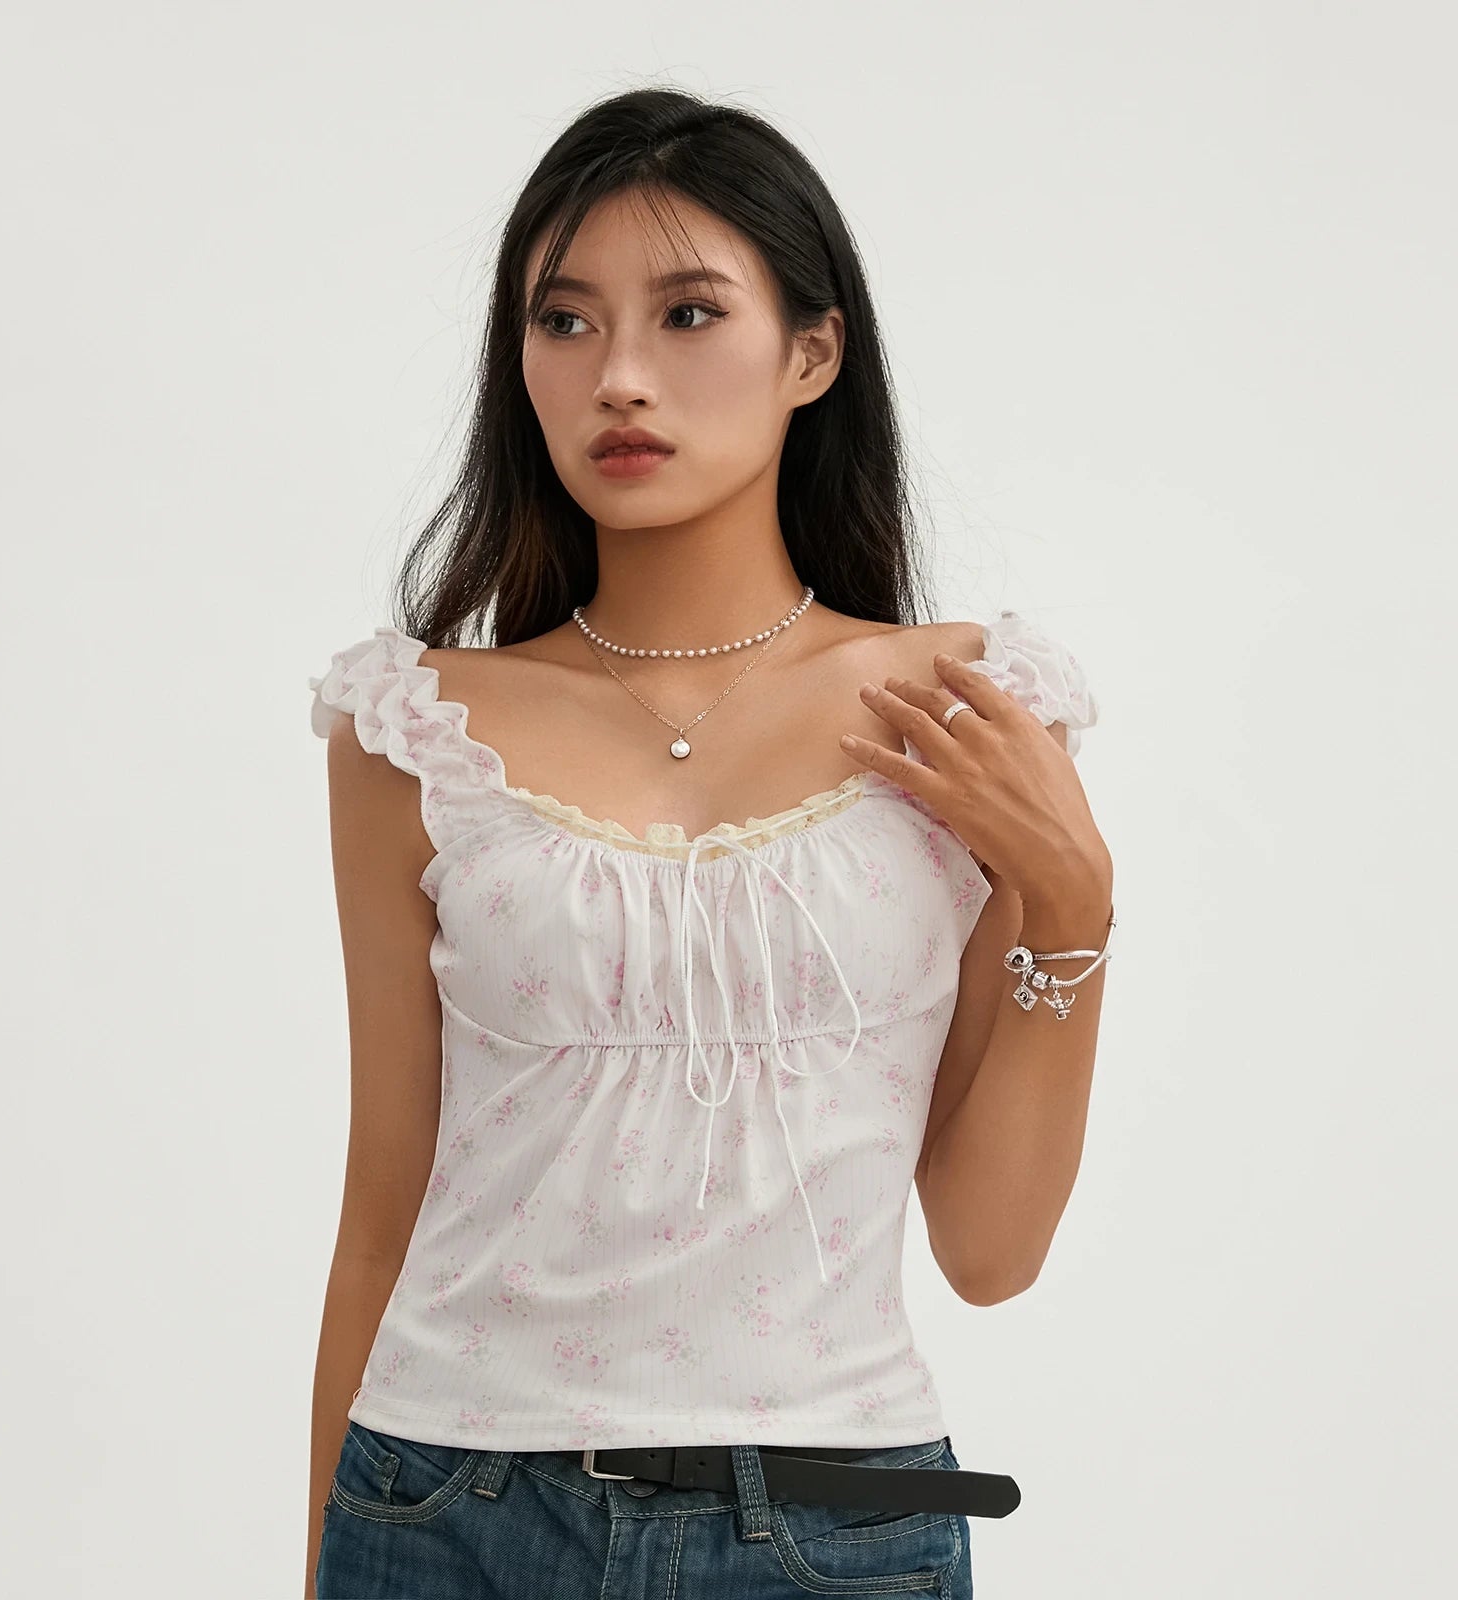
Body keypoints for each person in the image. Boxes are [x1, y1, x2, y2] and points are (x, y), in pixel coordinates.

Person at [304, 85, 1113, 1600]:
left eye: (687, 314)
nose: (618, 376)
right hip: (444, 1511)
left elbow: (990, 1252)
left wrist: (1074, 902)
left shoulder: (970, 710)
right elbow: (380, 1209)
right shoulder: (414, 729)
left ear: (813, 352)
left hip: (833, 1526)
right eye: (563, 322)